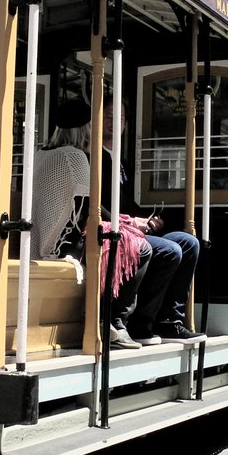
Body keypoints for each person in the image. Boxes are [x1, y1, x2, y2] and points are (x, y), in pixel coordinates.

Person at [30, 98, 151, 350]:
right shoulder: (74, 157)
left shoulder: (41, 153)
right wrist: (126, 223)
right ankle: (108, 318)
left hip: (35, 240)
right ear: (85, 129)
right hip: (61, 247)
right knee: (138, 246)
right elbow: (91, 208)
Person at [102, 99, 202, 345]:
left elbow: (125, 203)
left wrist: (147, 220)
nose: (115, 122)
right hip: (112, 230)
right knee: (170, 250)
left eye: (121, 118)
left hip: (129, 227)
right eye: (109, 116)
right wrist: (131, 222)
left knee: (189, 243)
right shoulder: (92, 158)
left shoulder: (120, 162)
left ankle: (169, 320)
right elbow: (96, 205)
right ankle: (140, 323)